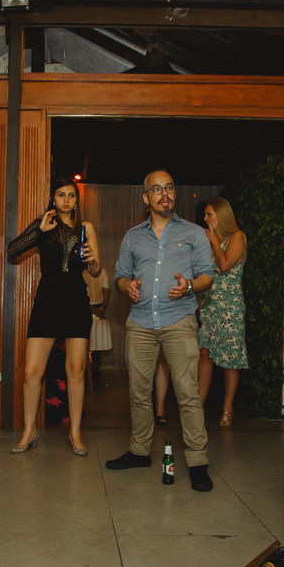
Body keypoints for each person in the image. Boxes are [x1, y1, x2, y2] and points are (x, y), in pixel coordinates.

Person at [107, 169, 217, 491]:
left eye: (168, 188)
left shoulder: (195, 233)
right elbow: (119, 276)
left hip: (179, 320)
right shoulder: (132, 237)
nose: (164, 194)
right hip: (140, 323)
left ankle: (197, 460)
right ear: (146, 198)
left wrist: (188, 287)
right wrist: (127, 286)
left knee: (187, 393)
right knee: (138, 392)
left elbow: (208, 276)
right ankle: (140, 451)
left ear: (174, 194)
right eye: (156, 189)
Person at [7, 176, 101, 455]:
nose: (66, 200)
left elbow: (96, 271)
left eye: (71, 195)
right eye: (61, 195)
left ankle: (75, 433)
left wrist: (94, 260)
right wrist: (39, 231)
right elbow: (12, 251)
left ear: (76, 200)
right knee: (31, 371)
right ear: (53, 198)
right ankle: (28, 432)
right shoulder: (43, 223)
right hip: (47, 301)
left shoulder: (86, 228)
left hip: (76, 301)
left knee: (76, 370)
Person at [197, 197, 249, 426]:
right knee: (205, 353)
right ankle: (199, 404)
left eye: (210, 215)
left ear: (222, 215)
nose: (206, 219)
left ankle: (228, 409)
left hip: (230, 305)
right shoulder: (208, 241)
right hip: (209, 304)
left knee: (229, 359)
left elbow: (225, 265)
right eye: (206, 215)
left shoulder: (237, 236)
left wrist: (215, 242)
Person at [84, 267, 111, 383]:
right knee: (85, 342)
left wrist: (102, 307)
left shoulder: (102, 272)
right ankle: (86, 371)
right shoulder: (81, 271)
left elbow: (106, 290)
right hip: (84, 307)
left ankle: (95, 371)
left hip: (97, 308)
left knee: (97, 342)